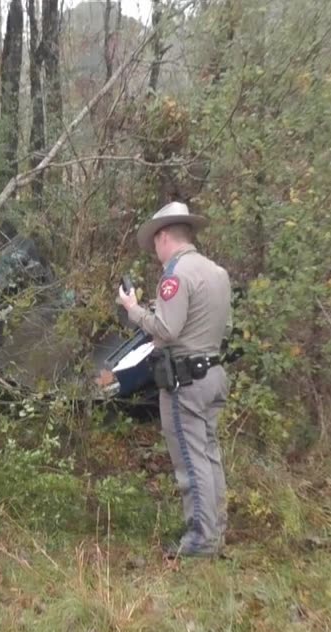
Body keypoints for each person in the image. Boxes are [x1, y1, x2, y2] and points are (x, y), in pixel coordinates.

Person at [117, 202, 233, 559]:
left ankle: (200, 539)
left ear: (165, 236)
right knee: (209, 456)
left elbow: (166, 329)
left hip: (186, 383)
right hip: (212, 374)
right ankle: (215, 530)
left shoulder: (175, 275)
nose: (155, 250)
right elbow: (222, 328)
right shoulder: (217, 273)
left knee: (190, 458)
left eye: (155, 242)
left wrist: (133, 309)